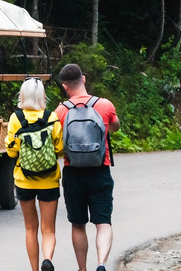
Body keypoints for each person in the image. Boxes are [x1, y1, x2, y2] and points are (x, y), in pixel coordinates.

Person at [54, 64, 120, 271]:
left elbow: (57, 143)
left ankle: (82, 269)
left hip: (73, 172)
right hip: (100, 170)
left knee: (78, 224)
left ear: (65, 87)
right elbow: (116, 127)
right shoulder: (105, 105)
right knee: (103, 223)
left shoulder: (61, 110)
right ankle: (101, 263)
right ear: (84, 79)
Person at [5, 77, 65, 271]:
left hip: (24, 180)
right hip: (48, 181)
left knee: (31, 228)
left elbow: (11, 151)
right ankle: (47, 259)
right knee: (48, 230)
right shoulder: (52, 117)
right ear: (42, 96)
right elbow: (60, 149)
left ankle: (34, 269)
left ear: (22, 95)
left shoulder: (16, 118)